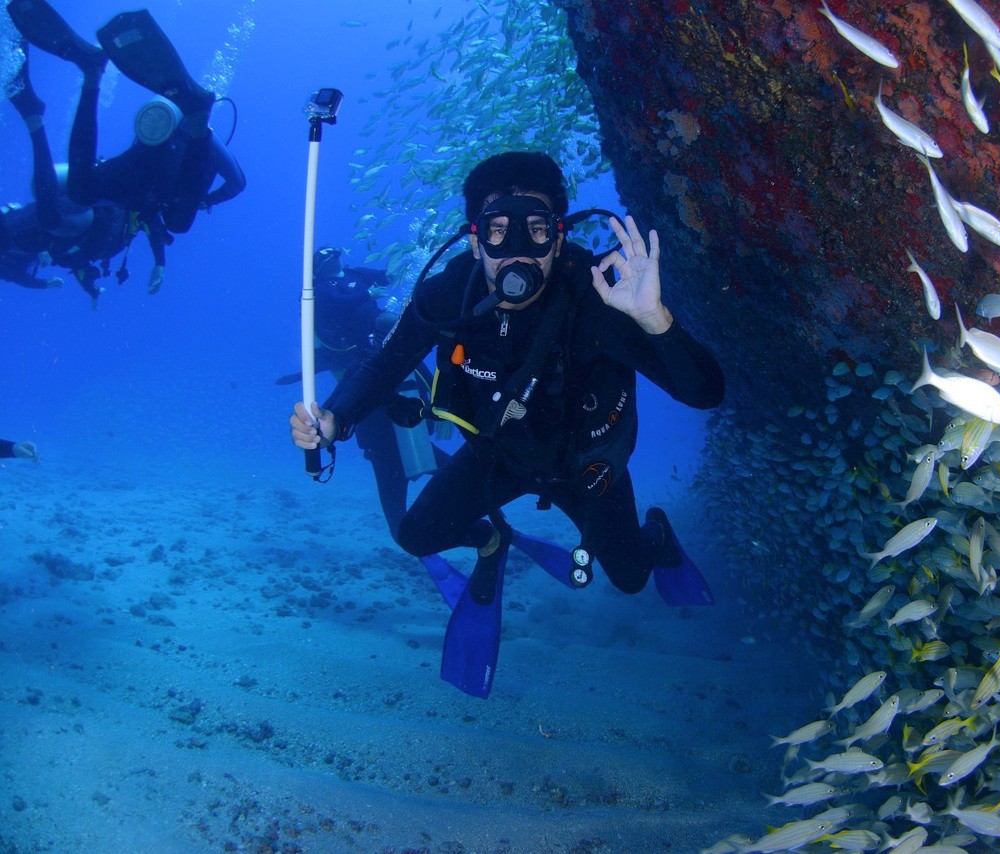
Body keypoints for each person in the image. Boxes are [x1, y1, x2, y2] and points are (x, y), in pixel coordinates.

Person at [290, 152, 724, 696]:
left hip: (584, 466)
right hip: (498, 455)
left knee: (632, 578)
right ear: (475, 242)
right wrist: (336, 418)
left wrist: (653, 318)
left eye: (537, 230)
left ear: (559, 240)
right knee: (415, 534)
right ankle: (493, 539)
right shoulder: (452, 292)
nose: (517, 252)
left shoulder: (598, 297)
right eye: (498, 232)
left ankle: (656, 533)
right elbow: (386, 363)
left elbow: (706, 393)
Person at [6, 0, 246, 294]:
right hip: (152, 180)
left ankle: (92, 73)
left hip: (140, 177)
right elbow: (237, 182)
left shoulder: (204, 142)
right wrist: (208, 201)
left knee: (82, 190)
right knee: (177, 221)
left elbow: (231, 184)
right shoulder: (210, 142)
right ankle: (96, 74)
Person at [279, 246, 437, 538]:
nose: (333, 262)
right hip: (378, 419)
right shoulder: (324, 292)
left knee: (403, 510)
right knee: (397, 466)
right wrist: (322, 430)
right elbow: (340, 401)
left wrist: (411, 260)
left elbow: (386, 276)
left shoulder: (355, 277)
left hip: (400, 425)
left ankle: (474, 520)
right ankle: (449, 522)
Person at [1, 48, 165, 302]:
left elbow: (74, 258)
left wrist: (89, 288)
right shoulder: (138, 211)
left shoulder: (129, 224)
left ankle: (33, 112)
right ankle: (33, 114)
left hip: (69, 219)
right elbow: (151, 221)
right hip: (79, 214)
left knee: (48, 211)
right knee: (50, 216)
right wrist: (160, 262)